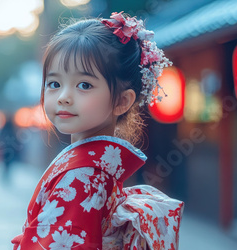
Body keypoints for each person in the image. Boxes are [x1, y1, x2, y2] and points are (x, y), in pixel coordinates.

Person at [11, 12, 184, 250]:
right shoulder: (92, 169)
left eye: (84, 85)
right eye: (54, 84)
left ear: (122, 101)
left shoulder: (83, 176)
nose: (63, 97)